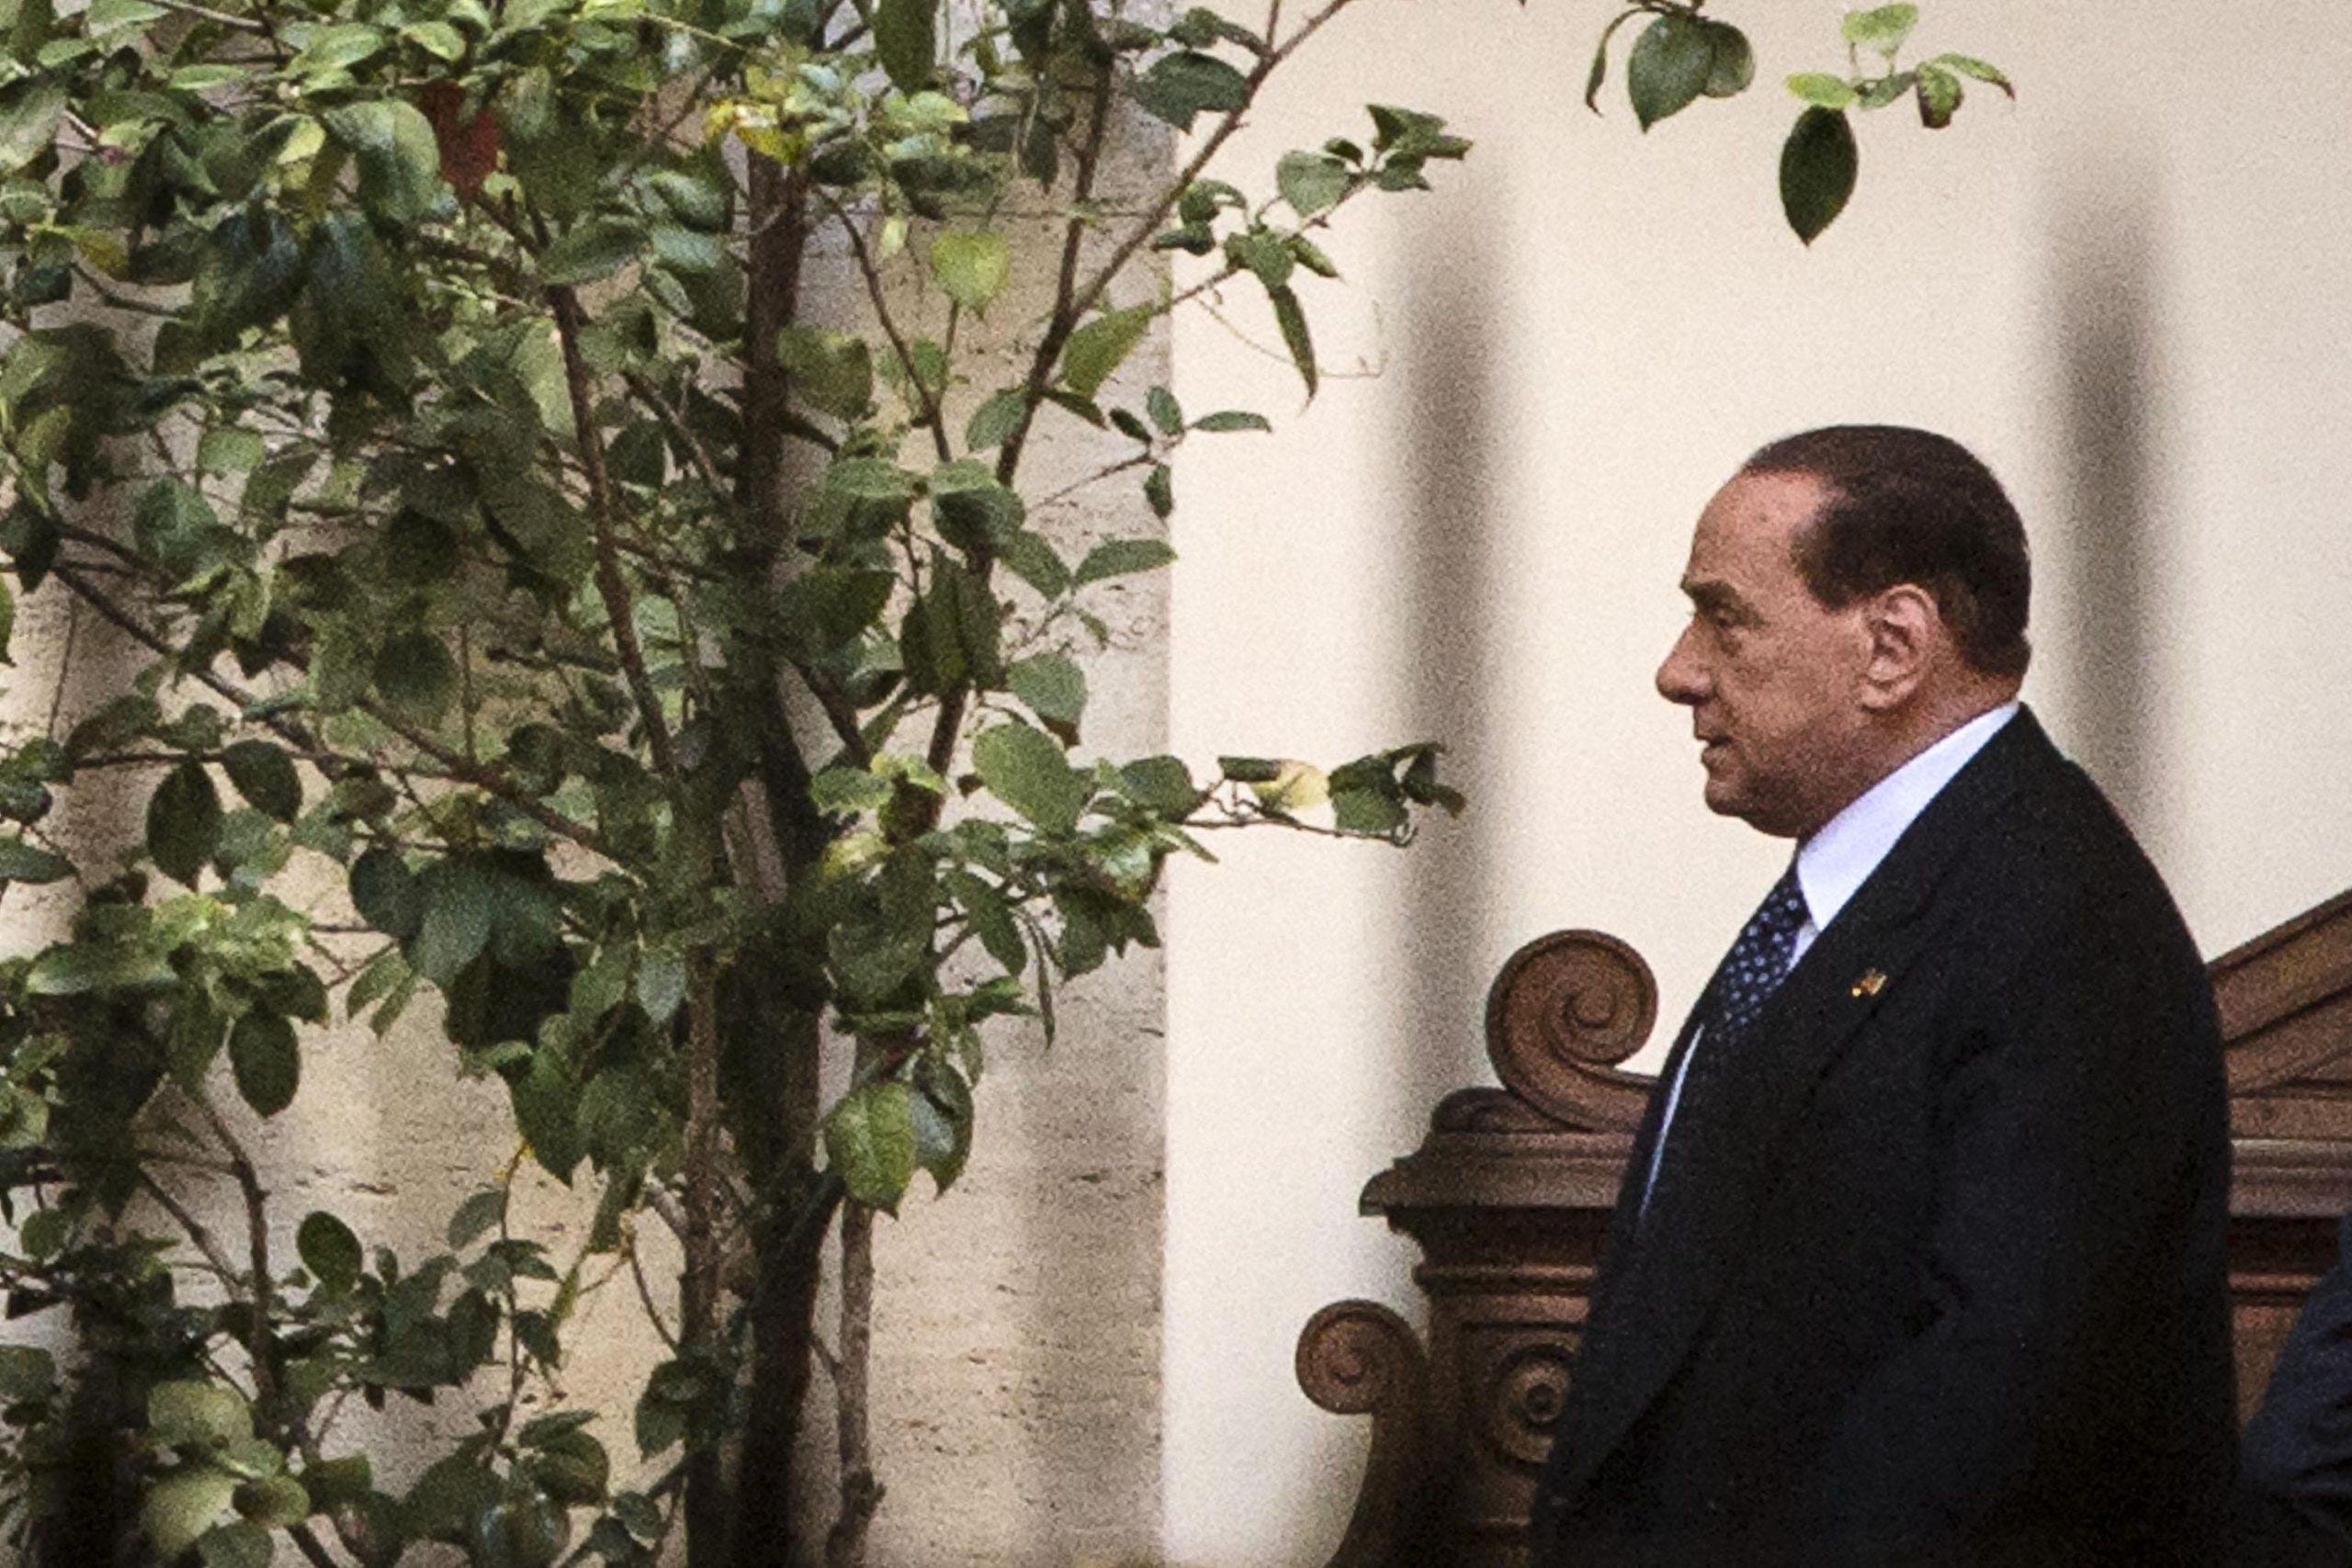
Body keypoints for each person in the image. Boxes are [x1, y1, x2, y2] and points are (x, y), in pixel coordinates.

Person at [1527, 425, 2237, 1567]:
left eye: (1725, 617)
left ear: (1892, 647)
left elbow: (1988, 1405)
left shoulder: (2057, 916)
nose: (1679, 670)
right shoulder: (1894, 887)